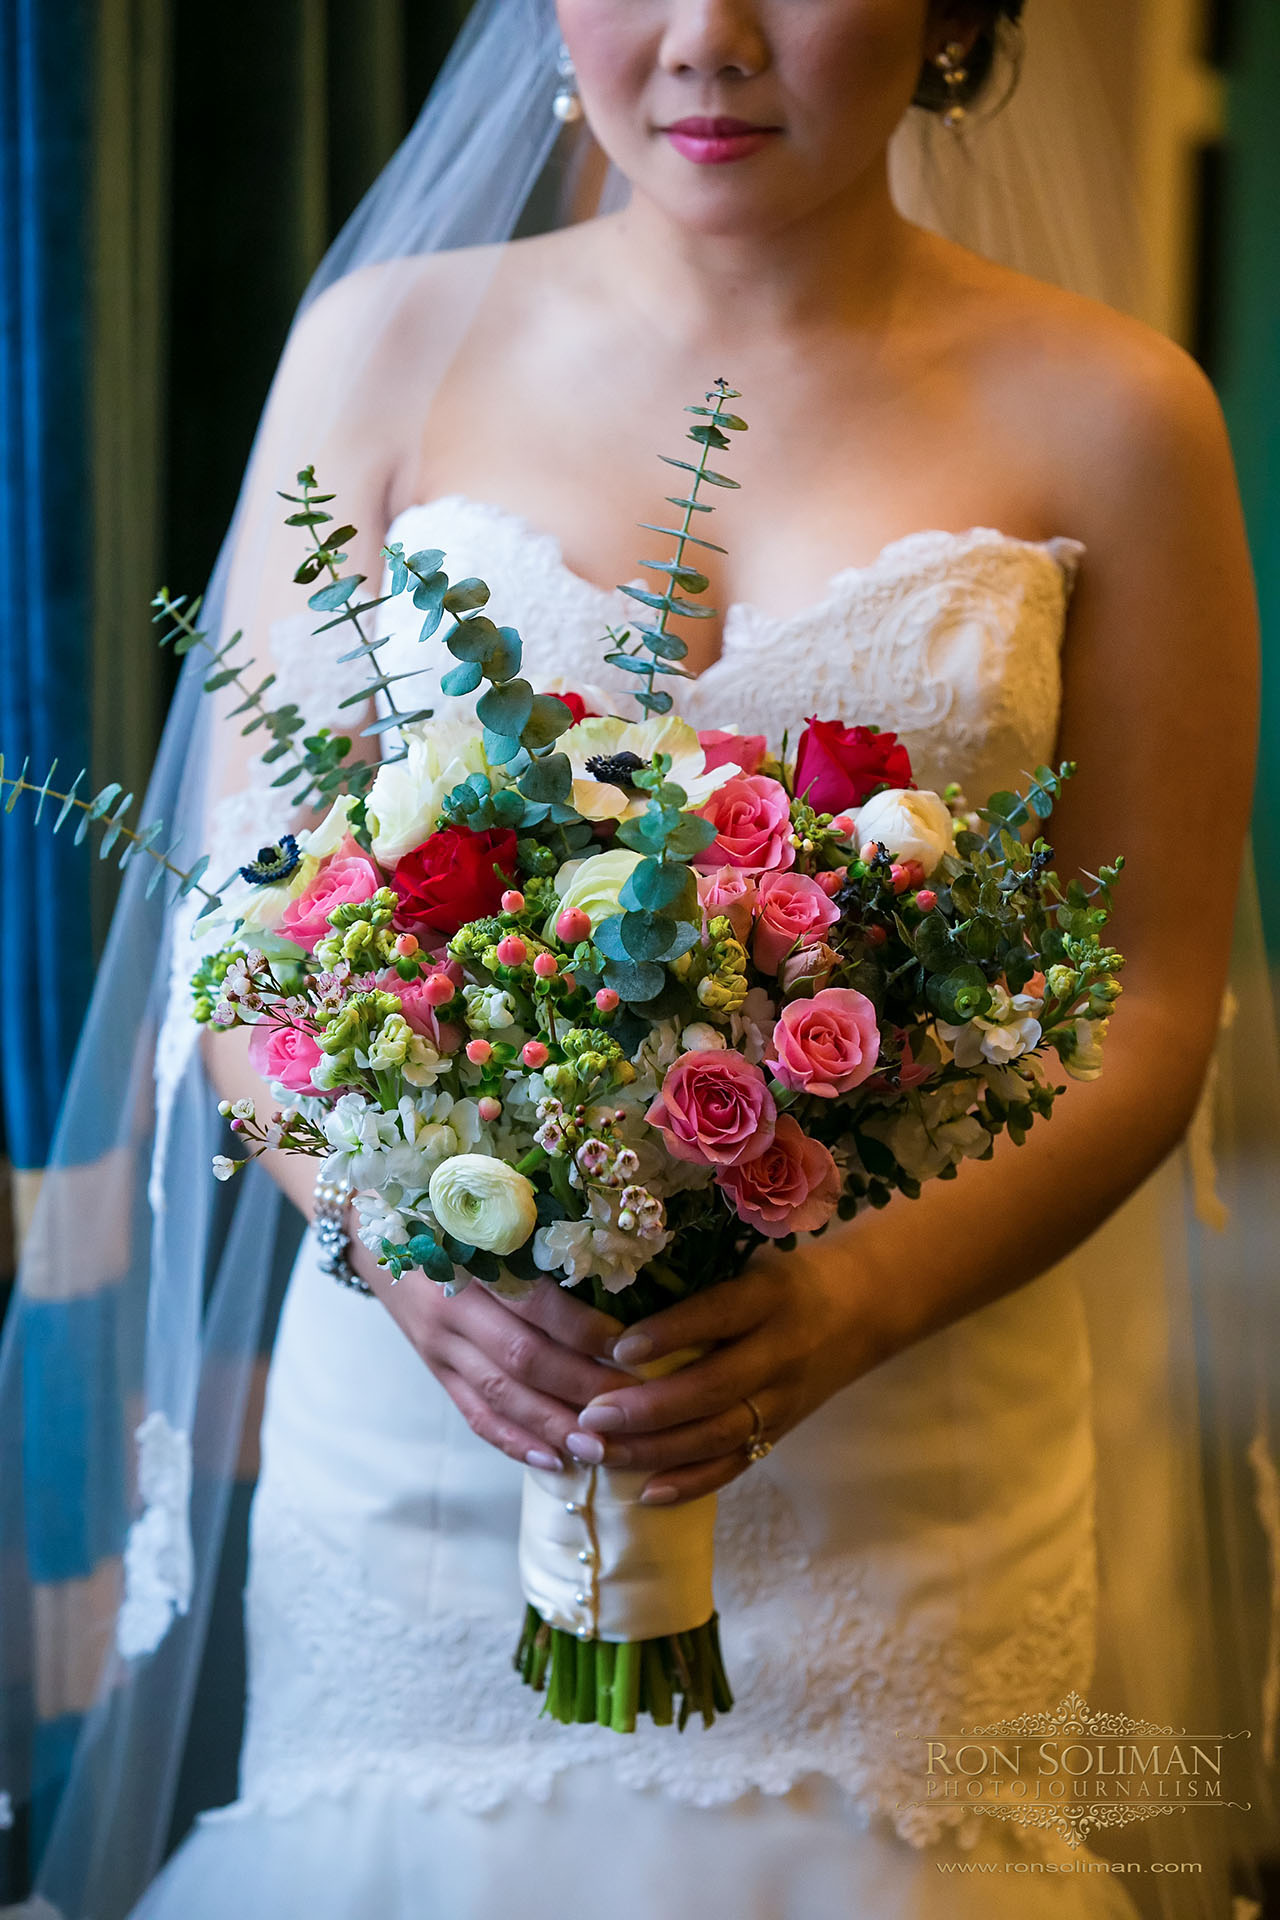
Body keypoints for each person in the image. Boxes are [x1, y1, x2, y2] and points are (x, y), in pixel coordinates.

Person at [2, 4, 1274, 1918]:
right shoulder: (385, 348)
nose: (709, 40)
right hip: (440, 1422)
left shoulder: (1117, 409)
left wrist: (852, 1308)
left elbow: (1156, 992)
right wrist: (397, 1252)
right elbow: (242, 929)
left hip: (908, 1432)